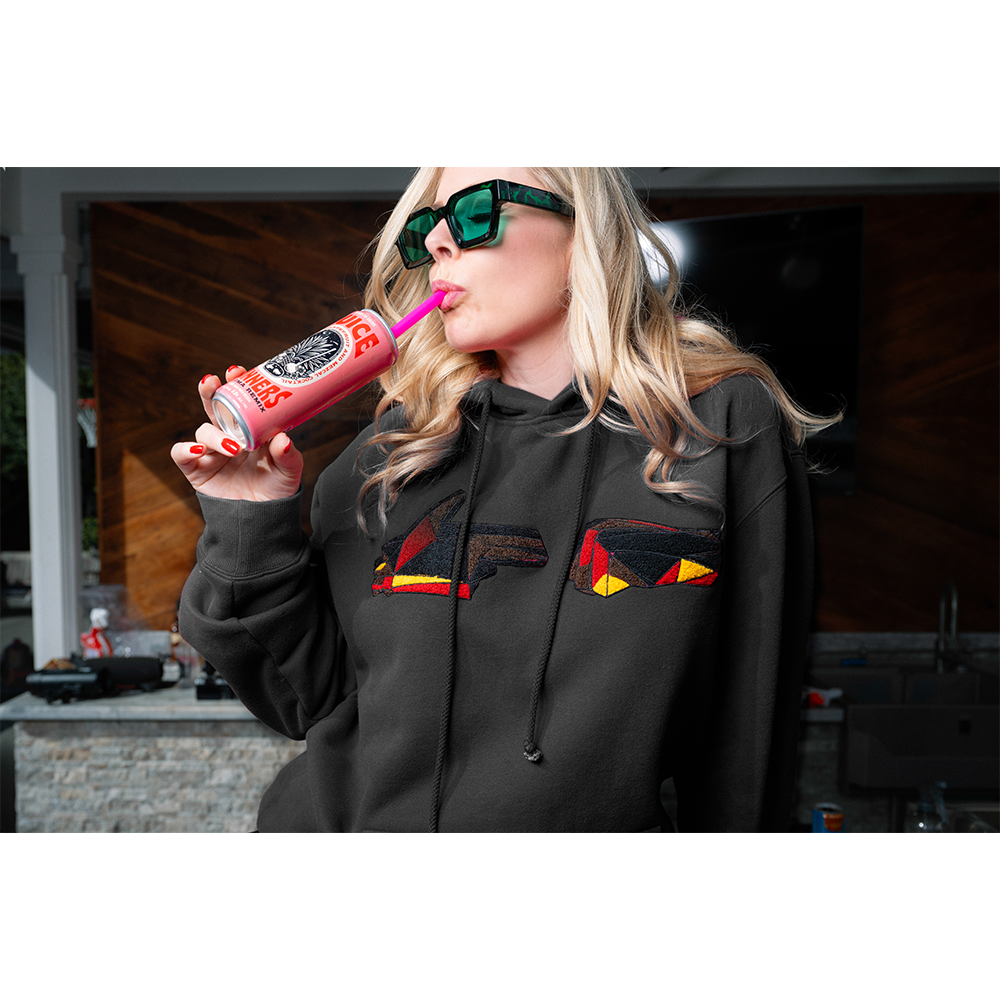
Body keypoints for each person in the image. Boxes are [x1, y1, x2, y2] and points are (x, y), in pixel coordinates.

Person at [173, 167, 835, 832]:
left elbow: (748, 734)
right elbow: (305, 699)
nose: (438, 243)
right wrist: (250, 517)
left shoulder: (718, 426)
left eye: (473, 213)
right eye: (426, 227)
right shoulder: (395, 450)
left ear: (582, 234)